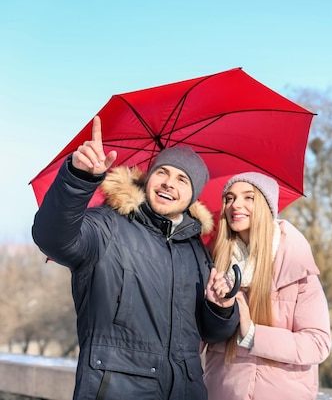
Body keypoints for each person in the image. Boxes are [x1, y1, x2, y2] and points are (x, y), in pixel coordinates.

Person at [32, 116, 240, 400]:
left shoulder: (196, 252)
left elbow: (214, 333)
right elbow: (53, 238)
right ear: (149, 176)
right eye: (162, 172)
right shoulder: (106, 226)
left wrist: (221, 308)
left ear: (193, 196)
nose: (168, 183)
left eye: (182, 179)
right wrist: (78, 180)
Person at [201, 172, 331, 400]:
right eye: (229, 198)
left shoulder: (296, 268)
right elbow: (196, 341)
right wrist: (215, 311)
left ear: (266, 206)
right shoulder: (213, 264)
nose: (235, 205)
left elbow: (318, 344)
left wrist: (252, 333)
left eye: (248, 197)